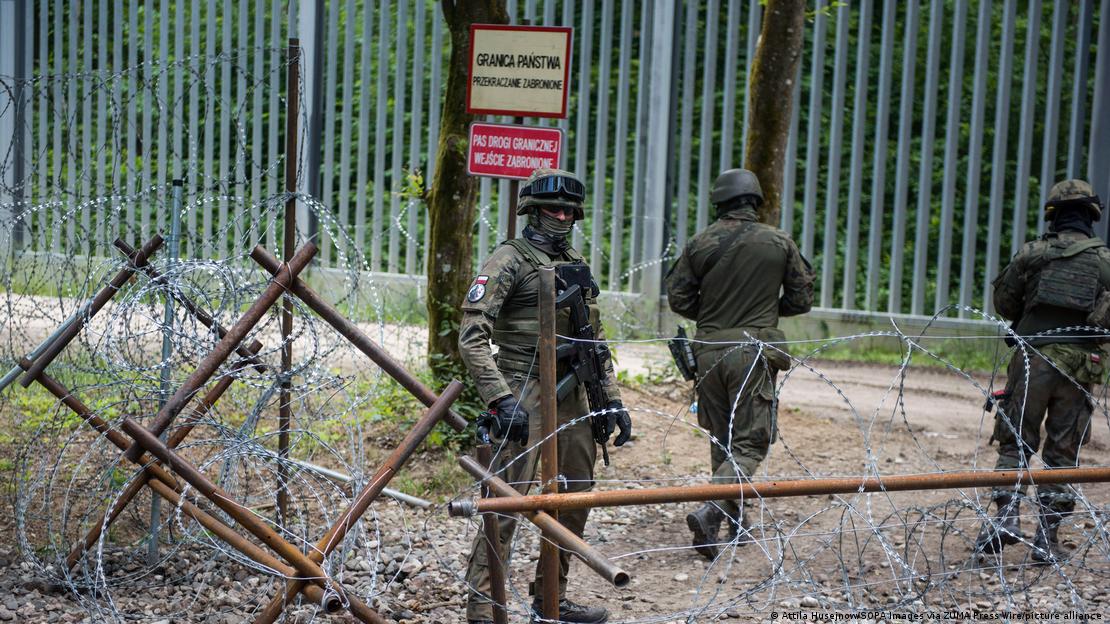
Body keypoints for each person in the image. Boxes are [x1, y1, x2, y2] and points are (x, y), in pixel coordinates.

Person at [459, 168, 631, 624]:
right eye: (552, 208)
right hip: (524, 387)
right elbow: (472, 336)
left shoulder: (575, 259)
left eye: (568, 210)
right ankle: (483, 608)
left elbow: (594, 339)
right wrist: (501, 398)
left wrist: (610, 399)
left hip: (574, 390)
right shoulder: (509, 260)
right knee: (507, 502)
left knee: (575, 496)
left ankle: (550, 598)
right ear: (531, 211)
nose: (561, 216)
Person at [664, 168, 815, 560]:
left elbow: (679, 299)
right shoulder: (778, 242)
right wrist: (765, 310)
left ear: (719, 202)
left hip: (709, 351)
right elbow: (801, 299)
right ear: (755, 201)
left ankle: (733, 521)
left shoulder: (700, 244)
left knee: (722, 435)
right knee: (752, 440)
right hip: (752, 350)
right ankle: (714, 507)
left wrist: (714, 311)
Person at [976, 179, 1109, 563]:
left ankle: (1006, 518)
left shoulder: (1032, 254)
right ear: (1092, 216)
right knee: (1063, 453)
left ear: (1052, 215)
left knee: (1016, 439)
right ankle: (1047, 539)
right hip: (1082, 366)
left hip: (1033, 359)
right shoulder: (1104, 261)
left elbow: (1004, 303)